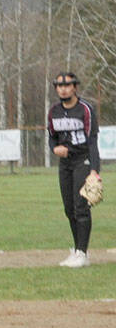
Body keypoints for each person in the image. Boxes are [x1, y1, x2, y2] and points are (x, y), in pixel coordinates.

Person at [47, 72, 101, 268]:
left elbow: (93, 141)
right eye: (59, 85)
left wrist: (95, 170)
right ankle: (77, 249)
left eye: (67, 85)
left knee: (81, 207)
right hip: (66, 163)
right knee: (69, 208)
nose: (63, 88)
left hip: (83, 160)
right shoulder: (54, 111)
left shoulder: (85, 109)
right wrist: (54, 148)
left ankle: (82, 252)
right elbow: (52, 136)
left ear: (75, 87)